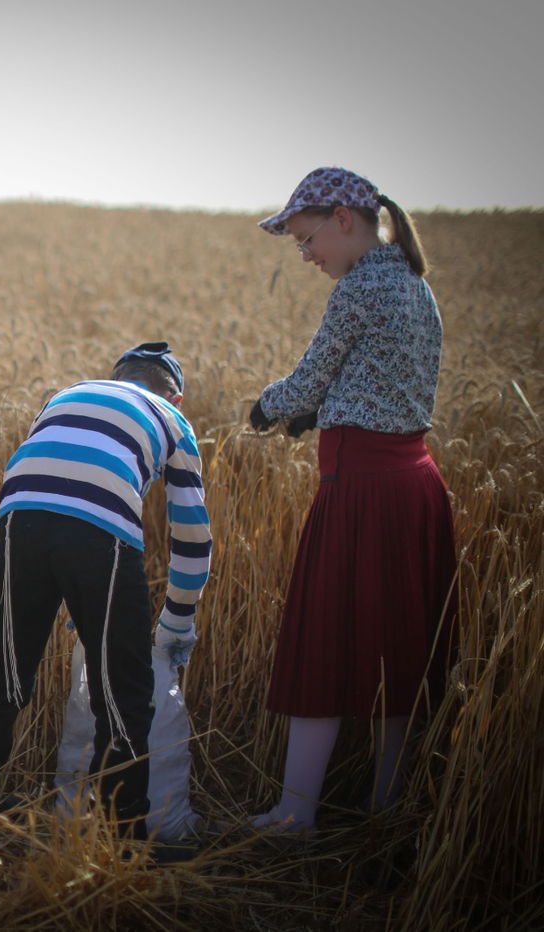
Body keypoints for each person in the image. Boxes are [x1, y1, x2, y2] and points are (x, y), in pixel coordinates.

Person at [248, 167, 458, 832]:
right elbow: (379, 381)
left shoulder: (361, 286)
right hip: (413, 487)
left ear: (345, 218)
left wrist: (266, 408)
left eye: (308, 240)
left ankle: (293, 815)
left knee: (325, 639)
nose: (306, 256)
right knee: (398, 647)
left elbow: (309, 378)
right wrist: (328, 410)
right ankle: (386, 806)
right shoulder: (414, 284)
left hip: (362, 490)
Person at [0, 342, 211, 839]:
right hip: (100, 526)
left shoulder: (70, 393)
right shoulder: (172, 419)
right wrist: (179, 620)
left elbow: (53, 467)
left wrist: (82, 595)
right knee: (124, 688)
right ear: (175, 397)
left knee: (4, 669)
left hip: (18, 513)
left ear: (116, 377)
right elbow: (194, 534)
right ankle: (124, 837)